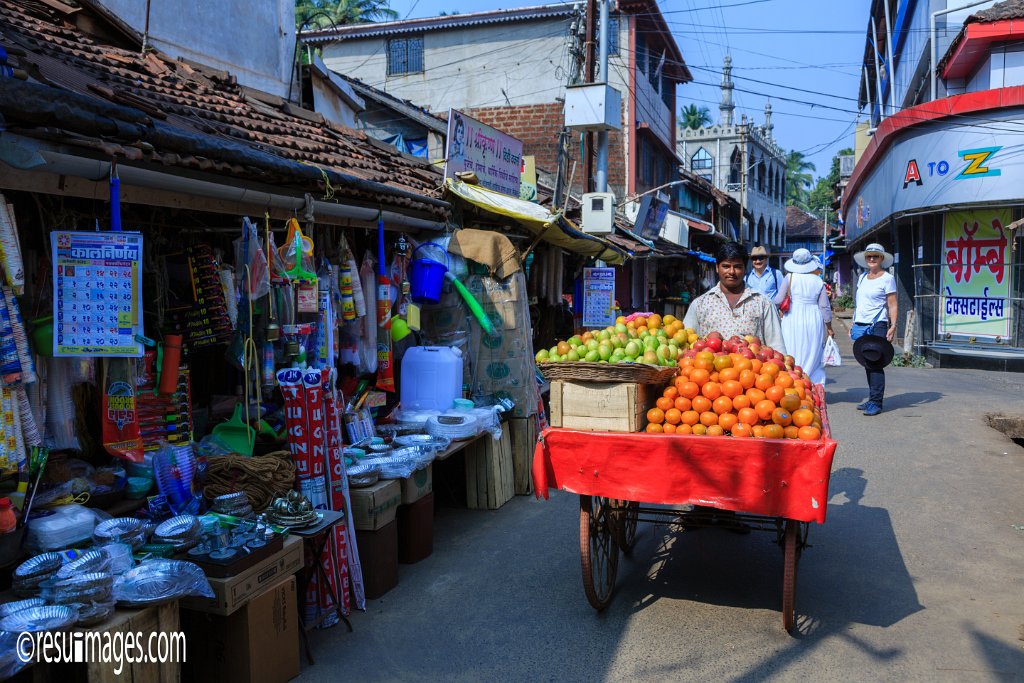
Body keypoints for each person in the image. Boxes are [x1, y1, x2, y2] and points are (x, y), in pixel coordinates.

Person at [684, 241, 786, 353]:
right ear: (717, 268)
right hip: (706, 369)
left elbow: (777, 348)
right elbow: (687, 345)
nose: (731, 272)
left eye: (737, 267)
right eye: (726, 266)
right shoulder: (700, 304)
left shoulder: (763, 303)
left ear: (745, 269)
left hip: (752, 369)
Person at [773, 248, 834, 385]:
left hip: (792, 318)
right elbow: (824, 307)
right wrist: (829, 327)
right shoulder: (818, 281)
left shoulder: (789, 277)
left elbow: (778, 300)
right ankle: (813, 385)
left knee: (791, 349)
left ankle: (795, 383)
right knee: (813, 352)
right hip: (813, 318)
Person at [850, 243, 898, 416]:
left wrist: (893, 325)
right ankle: (872, 398)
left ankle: (876, 402)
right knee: (866, 362)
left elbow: (892, 304)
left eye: (875, 256)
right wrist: (853, 323)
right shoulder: (862, 277)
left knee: (875, 363)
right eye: (869, 256)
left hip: (877, 324)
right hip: (861, 324)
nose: (871, 259)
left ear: (882, 259)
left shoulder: (887, 278)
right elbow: (859, 304)